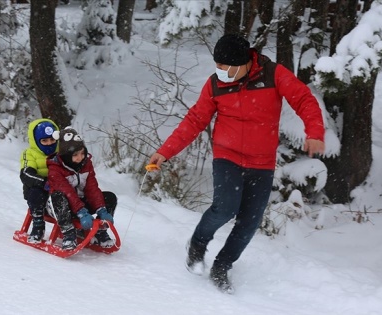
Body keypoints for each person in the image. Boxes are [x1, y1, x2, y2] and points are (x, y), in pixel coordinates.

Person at [148, 34, 325, 293]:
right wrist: (165, 152)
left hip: (262, 162)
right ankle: (197, 244)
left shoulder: (273, 74)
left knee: (249, 222)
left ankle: (222, 265)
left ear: (244, 63)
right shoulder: (215, 84)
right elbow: (195, 120)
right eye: (216, 65)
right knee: (225, 208)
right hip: (227, 155)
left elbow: (303, 99)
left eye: (224, 66)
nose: (219, 71)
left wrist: (314, 133)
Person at [46, 127, 117, 250]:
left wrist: (101, 209)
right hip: (60, 207)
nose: (80, 157)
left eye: (82, 153)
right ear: (66, 155)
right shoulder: (55, 169)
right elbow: (67, 192)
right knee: (59, 197)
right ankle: (68, 233)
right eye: (75, 155)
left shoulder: (86, 164)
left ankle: (100, 230)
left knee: (110, 197)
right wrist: (81, 211)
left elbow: (92, 188)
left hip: (81, 204)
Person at [20, 118, 59, 243]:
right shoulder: (29, 153)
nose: (49, 143)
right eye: (44, 140)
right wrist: (45, 182)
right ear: (37, 141)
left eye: (52, 140)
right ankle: (38, 225)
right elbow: (26, 174)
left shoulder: (60, 153)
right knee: (36, 193)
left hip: (59, 190)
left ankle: (76, 227)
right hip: (40, 189)